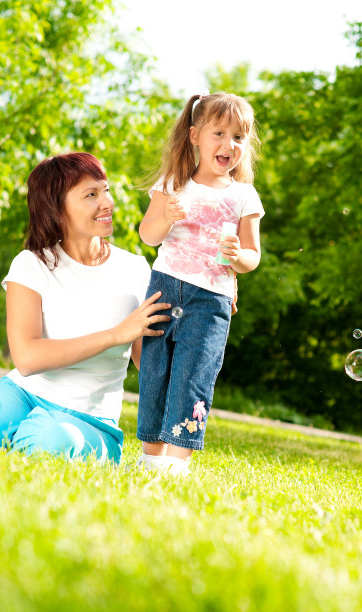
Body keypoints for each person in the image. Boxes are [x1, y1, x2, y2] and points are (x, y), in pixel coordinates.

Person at [0, 152, 170, 464]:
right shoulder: (32, 264)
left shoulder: (136, 270)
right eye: (91, 194)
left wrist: (204, 305)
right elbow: (27, 358)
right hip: (22, 394)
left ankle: (22, 432)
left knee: (49, 441)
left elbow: (153, 368)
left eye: (106, 190)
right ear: (57, 209)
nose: (107, 203)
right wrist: (115, 335)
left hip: (90, 418)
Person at [136, 92, 265, 475]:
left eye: (239, 137)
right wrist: (166, 218)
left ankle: (176, 467)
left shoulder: (244, 196)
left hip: (211, 302)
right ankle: (150, 461)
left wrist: (238, 255)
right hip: (164, 287)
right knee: (155, 372)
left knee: (193, 378)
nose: (229, 145)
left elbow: (252, 258)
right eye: (219, 133)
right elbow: (148, 235)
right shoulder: (173, 182)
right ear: (194, 136)